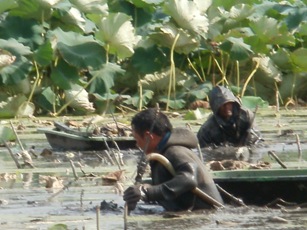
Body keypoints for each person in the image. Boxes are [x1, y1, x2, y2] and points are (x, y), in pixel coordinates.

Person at [123, 108, 224, 212]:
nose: (137, 144)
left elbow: (188, 179)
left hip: (205, 214)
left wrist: (147, 192)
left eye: (137, 139)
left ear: (149, 137)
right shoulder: (163, 152)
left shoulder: (175, 152)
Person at [197, 85, 261, 148]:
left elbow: (257, 139)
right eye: (223, 105)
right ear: (216, 107)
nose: (227, 108)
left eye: (229, 103)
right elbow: (204, 151)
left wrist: (247, 145)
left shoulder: (247, 116)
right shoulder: (206, 131)